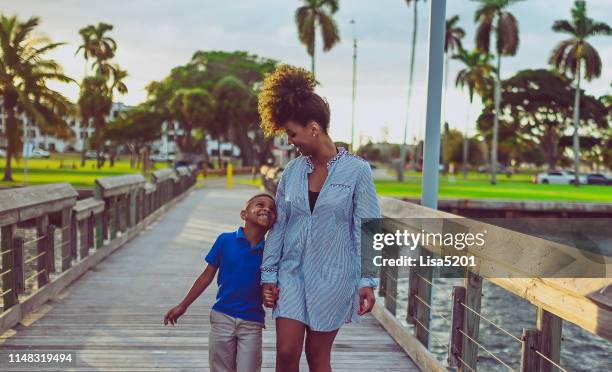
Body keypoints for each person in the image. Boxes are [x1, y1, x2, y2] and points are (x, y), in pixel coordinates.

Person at [257, 65, 381, 372]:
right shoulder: (292, 172)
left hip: (334, 277)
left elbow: (368, 228)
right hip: (291, 274)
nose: (290, 141)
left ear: (314, 128)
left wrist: (367, 281)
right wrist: (268, 274)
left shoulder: (357, 171)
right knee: (286, 353)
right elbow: (280, 226)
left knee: (316, 354)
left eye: (292, 133)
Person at [163, 193, 277, 372]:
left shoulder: (271, 251)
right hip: (222, 316)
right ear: (244, 215)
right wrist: (183, 305)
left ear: (274, 222)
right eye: (260, 205)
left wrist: (270, 296)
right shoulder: (225, 240)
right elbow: (206, 276)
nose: (266, 210)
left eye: (272, 209)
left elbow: (269, 285)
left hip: (252, 322)